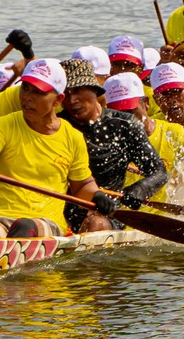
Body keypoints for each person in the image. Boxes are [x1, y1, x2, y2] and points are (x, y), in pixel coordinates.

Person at [0, 57, 117, 238]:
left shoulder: (72, 137)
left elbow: (82, 185)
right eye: (25, 88)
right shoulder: (4, 125)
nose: (27, 97)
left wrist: (97, 196)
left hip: (46, 222)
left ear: (58, 100)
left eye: (38, 92)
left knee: (24, 226)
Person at [59, 59, 166, 227]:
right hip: (60, 211)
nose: (72, 100)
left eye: (78, 91)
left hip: (106, 213)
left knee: (95, 222)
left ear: (95, 90)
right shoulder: (57, 125)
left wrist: (140, 189)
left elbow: (159, 171)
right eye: (66, 93)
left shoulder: (124, 125)